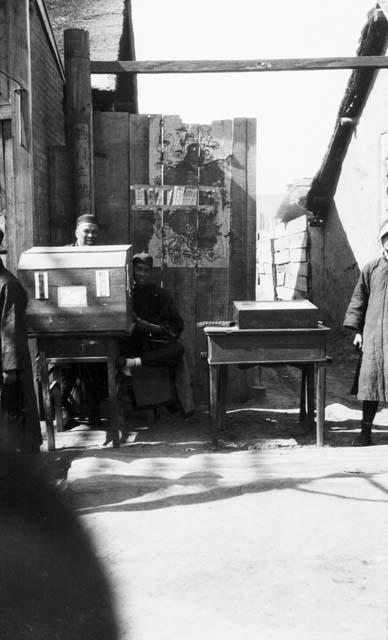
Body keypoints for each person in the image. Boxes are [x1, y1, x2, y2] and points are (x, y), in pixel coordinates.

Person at [118, 252, 194, 422]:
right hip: (131, 342)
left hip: (153, 343)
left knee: (177, 349)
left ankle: (131, 363)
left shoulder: (160, 294)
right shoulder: (123, 293)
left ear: (150, 272)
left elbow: (176, 326)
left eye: (145, 270)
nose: (141, 274)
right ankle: (129, 361)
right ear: (132, 271)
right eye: (137, 270)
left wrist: (149, 326)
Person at [343, 218, 388, 446]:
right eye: (386, 238)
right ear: (381, 241)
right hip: (372, 338)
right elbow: (359, 300)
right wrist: (357, 331)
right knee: (369, 385)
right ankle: (365, 432)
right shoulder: (371, 268)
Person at [60, 214, 106, 427]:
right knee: (66, 367)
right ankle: (65, 408)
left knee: (96, 366)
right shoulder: (63, 255)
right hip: (68, 322)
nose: (90, 235)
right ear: (76, 232)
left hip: (94, 322)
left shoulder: (103, 255)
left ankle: (95, 409)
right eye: (86, 231)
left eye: (94, 232)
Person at [0, 230, 42, 453]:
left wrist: (10, 366)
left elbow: (11, 326)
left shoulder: (8, 284)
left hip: (8, 362)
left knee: (12, 412)